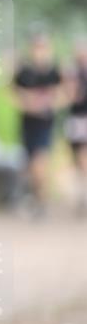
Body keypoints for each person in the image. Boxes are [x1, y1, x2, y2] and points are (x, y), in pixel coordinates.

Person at [12, 30, 64, 217]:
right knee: (30, 166)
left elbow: (64, 93)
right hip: (28, 124)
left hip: (45, 125)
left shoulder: (53, 72)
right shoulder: (24, 72)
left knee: (40, 164)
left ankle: (41, 201)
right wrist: (27, 104)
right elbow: (13, 93)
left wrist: (49, 104)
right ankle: (35, 196)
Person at [64, 39, 87, 216]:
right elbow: (70, 97)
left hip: (83, 119)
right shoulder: (72, 72)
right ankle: (81, 196)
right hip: (75, 120)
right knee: (77, 160)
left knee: (82, 158)